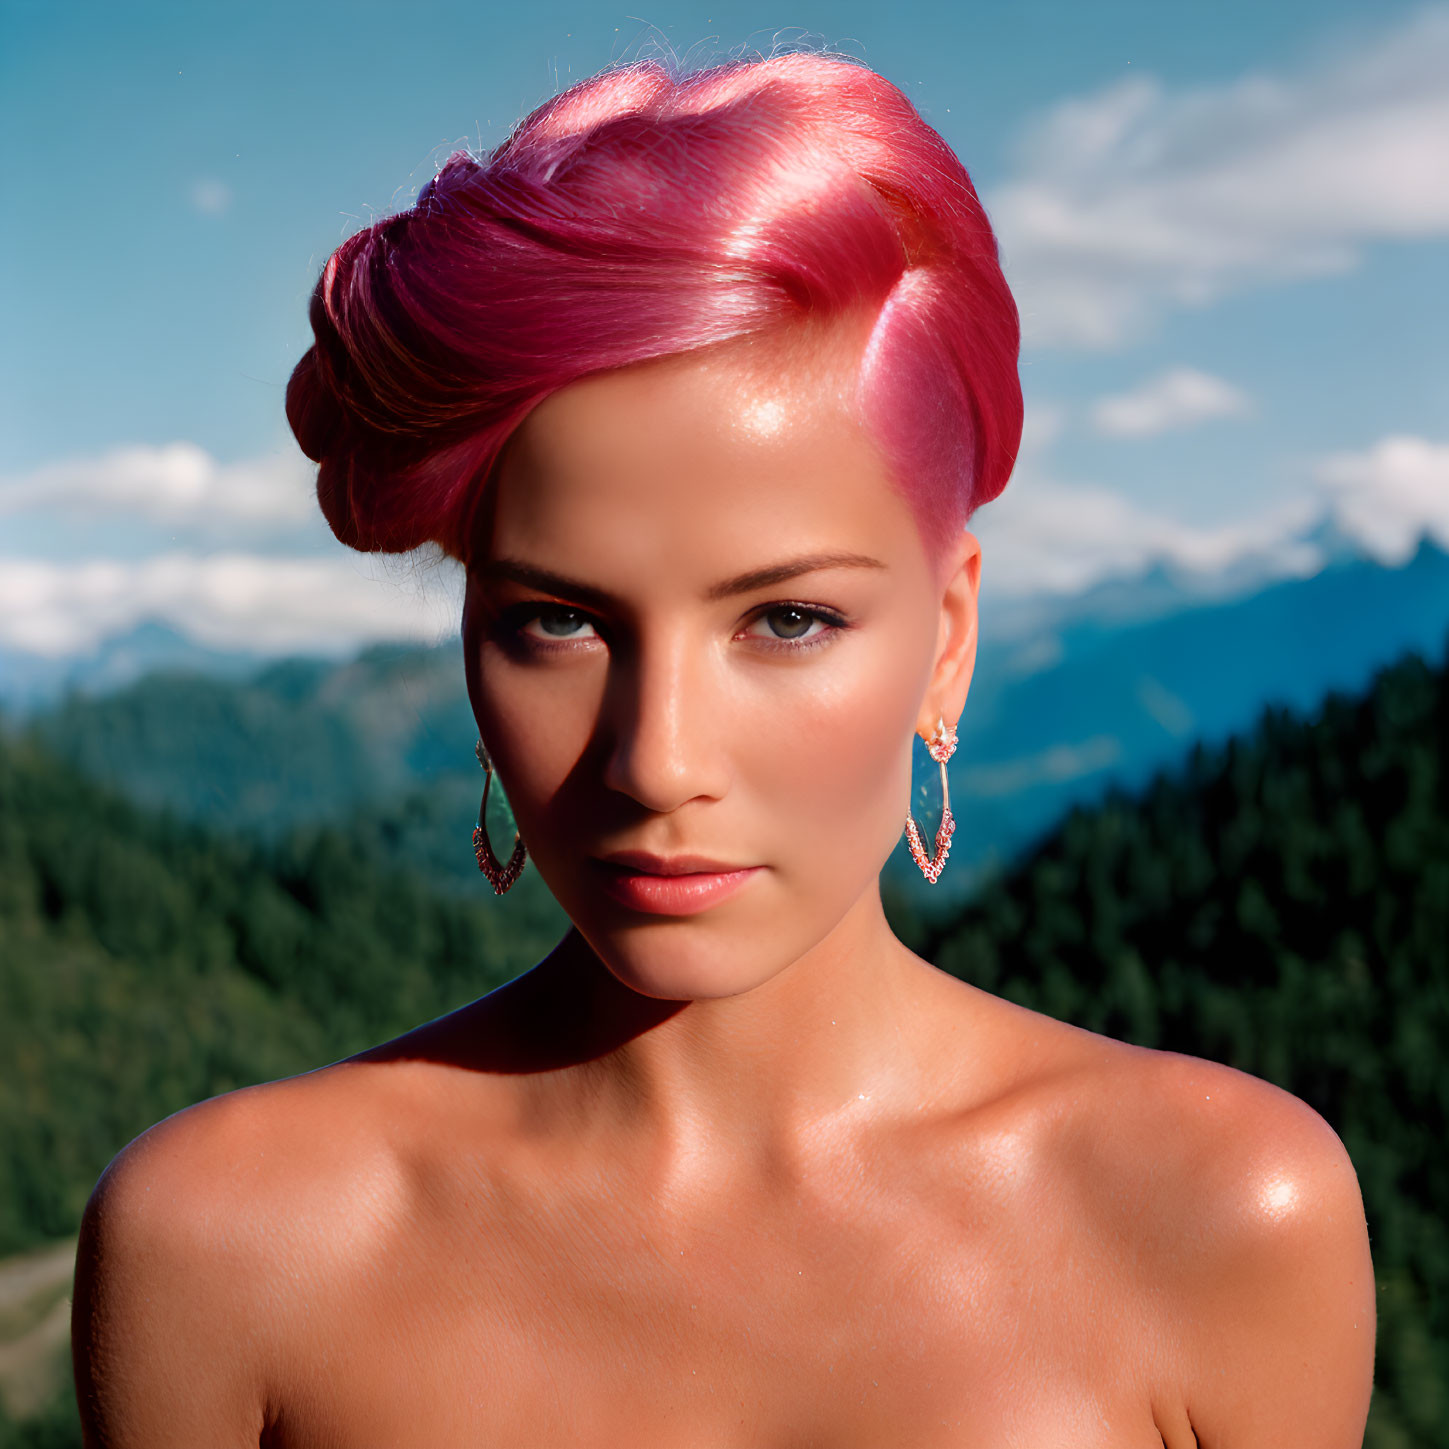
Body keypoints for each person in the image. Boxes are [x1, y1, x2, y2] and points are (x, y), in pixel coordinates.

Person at [71, 51, 1375, 1447]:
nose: (655, 757)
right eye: (559, 621)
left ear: (946, 639)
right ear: (465, 634)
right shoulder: (219, 1249)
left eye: (788, 618)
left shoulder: (1227, 1215)